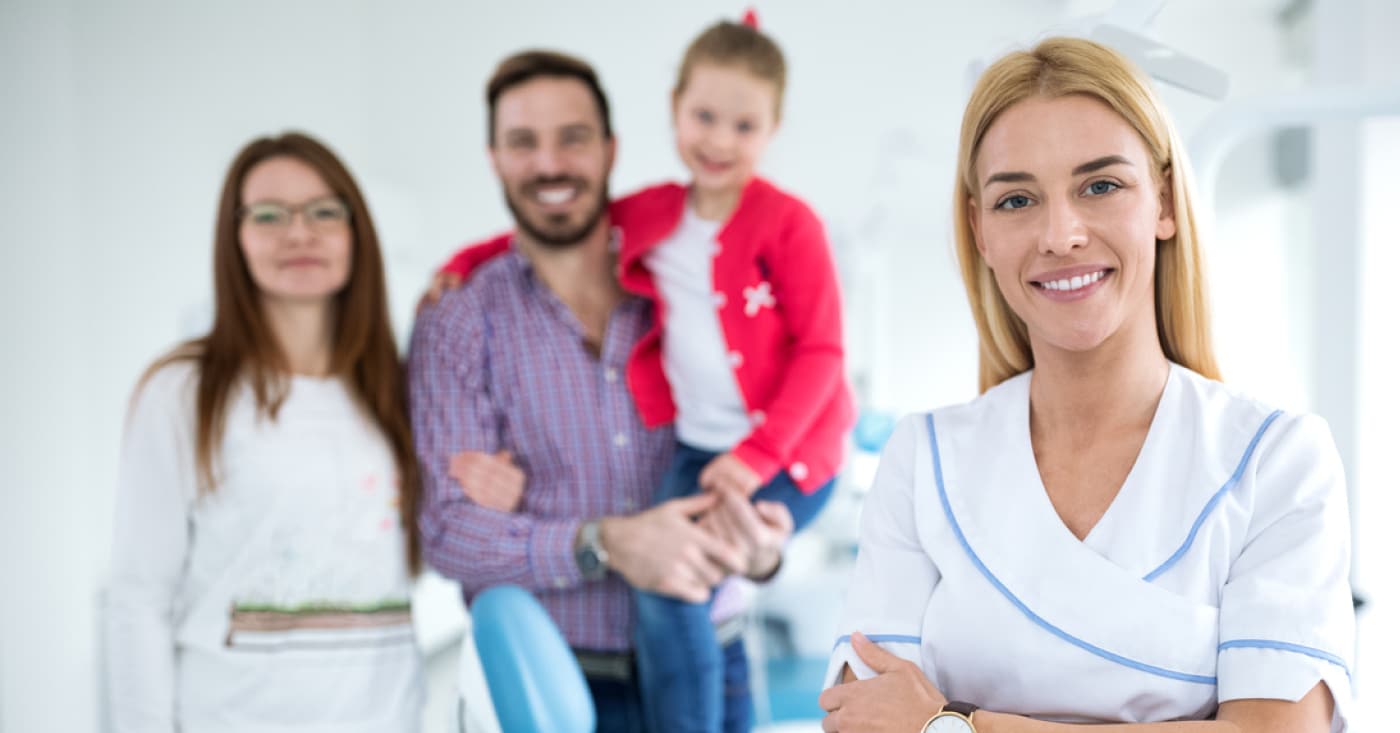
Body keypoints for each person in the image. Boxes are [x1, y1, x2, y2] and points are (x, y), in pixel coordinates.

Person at [818, 38, 1354, 733]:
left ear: (1163, 201)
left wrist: (953, 724)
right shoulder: (924, 460)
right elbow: (866, 718)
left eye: (1100, 185)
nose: (1060, 234)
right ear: (980, 230)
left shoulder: (1277, 459)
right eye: (1017, 199)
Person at [434, 16, 853, 733]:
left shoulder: (791, 225)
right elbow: (546, 229)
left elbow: (823, 356)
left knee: (673, 585)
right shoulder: (654, 213)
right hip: (701, 452)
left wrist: (756, 466)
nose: (719, 140)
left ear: (773, 128)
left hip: (789, 455)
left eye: (743, 125)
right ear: (674, 110)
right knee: (668, 578)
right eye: (704, 117)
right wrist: (464, 260)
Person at [105, 132, 424, 732]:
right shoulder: (182, 392)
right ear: (236, 237)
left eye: (324, 212)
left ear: (358, 232)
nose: (298, 234)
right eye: (269, 215)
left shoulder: (397, 389)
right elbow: (138, 599)